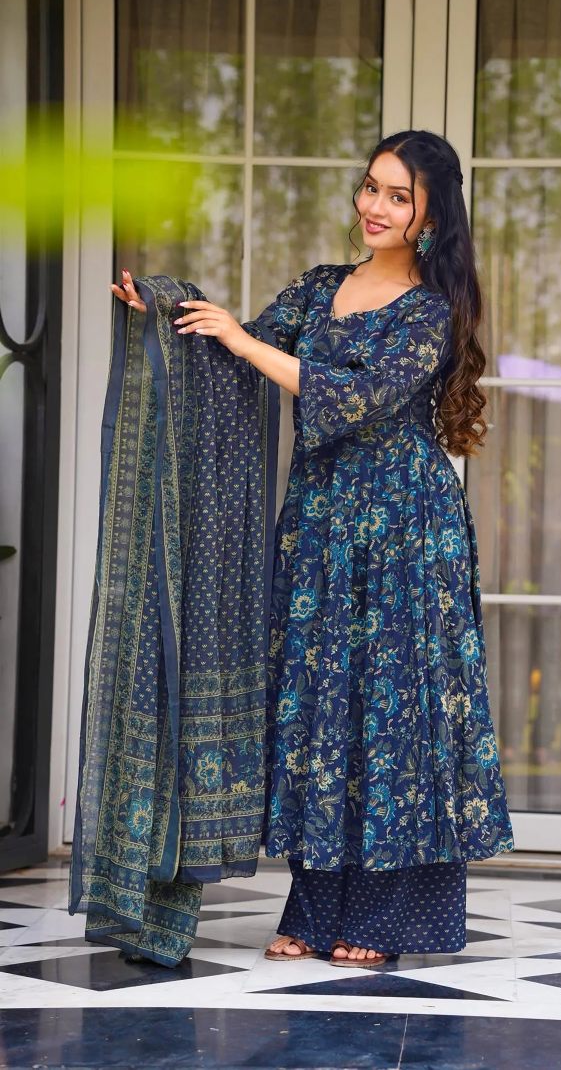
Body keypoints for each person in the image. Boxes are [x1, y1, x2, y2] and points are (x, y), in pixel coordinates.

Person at [113, 129, 514, 968]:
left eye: (398, 196)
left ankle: (382, 917)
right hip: (320, 527)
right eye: (370, 187)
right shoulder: (320, 287)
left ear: (431, 215)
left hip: (404, 532)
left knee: (391, 713)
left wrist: (244, 340)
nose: (375, 206)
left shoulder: (430, 310)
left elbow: (356, 397)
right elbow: (233, 362)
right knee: (319, 705)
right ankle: (313, 902)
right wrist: (164, 316)